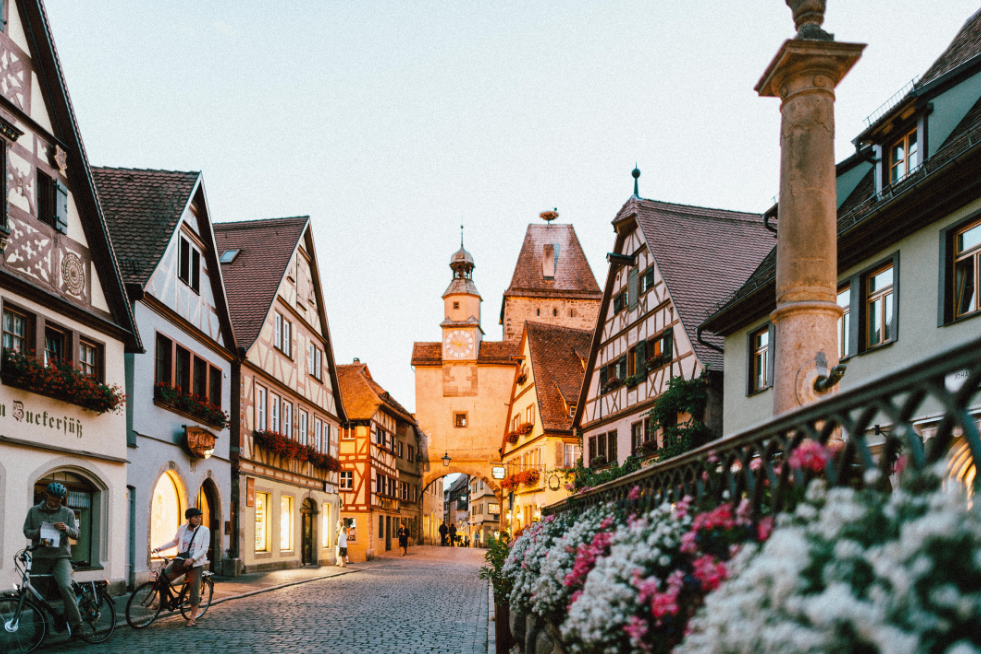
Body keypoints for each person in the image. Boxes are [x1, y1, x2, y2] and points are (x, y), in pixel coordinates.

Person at [23, 482, 82, 637]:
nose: (54, 503)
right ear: (46, 497)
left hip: (60, 557)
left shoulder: (67, 513)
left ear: (61, 500)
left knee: (65, 587)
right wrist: (39, 531)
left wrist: (66, 528)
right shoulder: (34, 511)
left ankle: (77, 626)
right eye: (51, 500)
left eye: (57, 501)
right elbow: (26, 531)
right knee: (37, 595)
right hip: (40, 558)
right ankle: (41, 632)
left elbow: (77, 534)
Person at [153, 507, 210, 627]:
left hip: (195, 563)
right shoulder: (182, 528)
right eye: (196, 517)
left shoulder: (204, 530)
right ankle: (163, 603)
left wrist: (192, 559)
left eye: (199, 516)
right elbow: (175, 541)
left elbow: (204, 549)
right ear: (189, 518)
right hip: (181, 560)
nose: (198, 519)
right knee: (162, 579)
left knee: (194, 589)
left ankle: (193, 617)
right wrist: (160, 548)